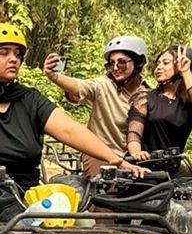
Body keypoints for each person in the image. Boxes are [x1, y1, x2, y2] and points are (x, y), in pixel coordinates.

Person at [0, 23, 146, 191]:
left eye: (17, 54)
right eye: (4, 53)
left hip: (22, 195)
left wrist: (115, 160)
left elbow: (69, 129)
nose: (13, 59)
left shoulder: (30, 99)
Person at [42, 34, 149, 177]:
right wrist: (54, 77)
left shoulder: (147, 92)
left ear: (137, 63)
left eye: (122, 63)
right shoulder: (103, 85)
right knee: (105, 186)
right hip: (99, 154)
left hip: (133, 156)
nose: (115, 68)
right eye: (111, 63)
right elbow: (80, 86)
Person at [127, 46, 192, 170]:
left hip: (172, 170)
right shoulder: (145, 98)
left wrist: (185, 72)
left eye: (166, 63)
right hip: (142, 167)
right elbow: (134, 133)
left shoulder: (189, 104)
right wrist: (136, 153)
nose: (158, 67)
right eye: (158, 63)